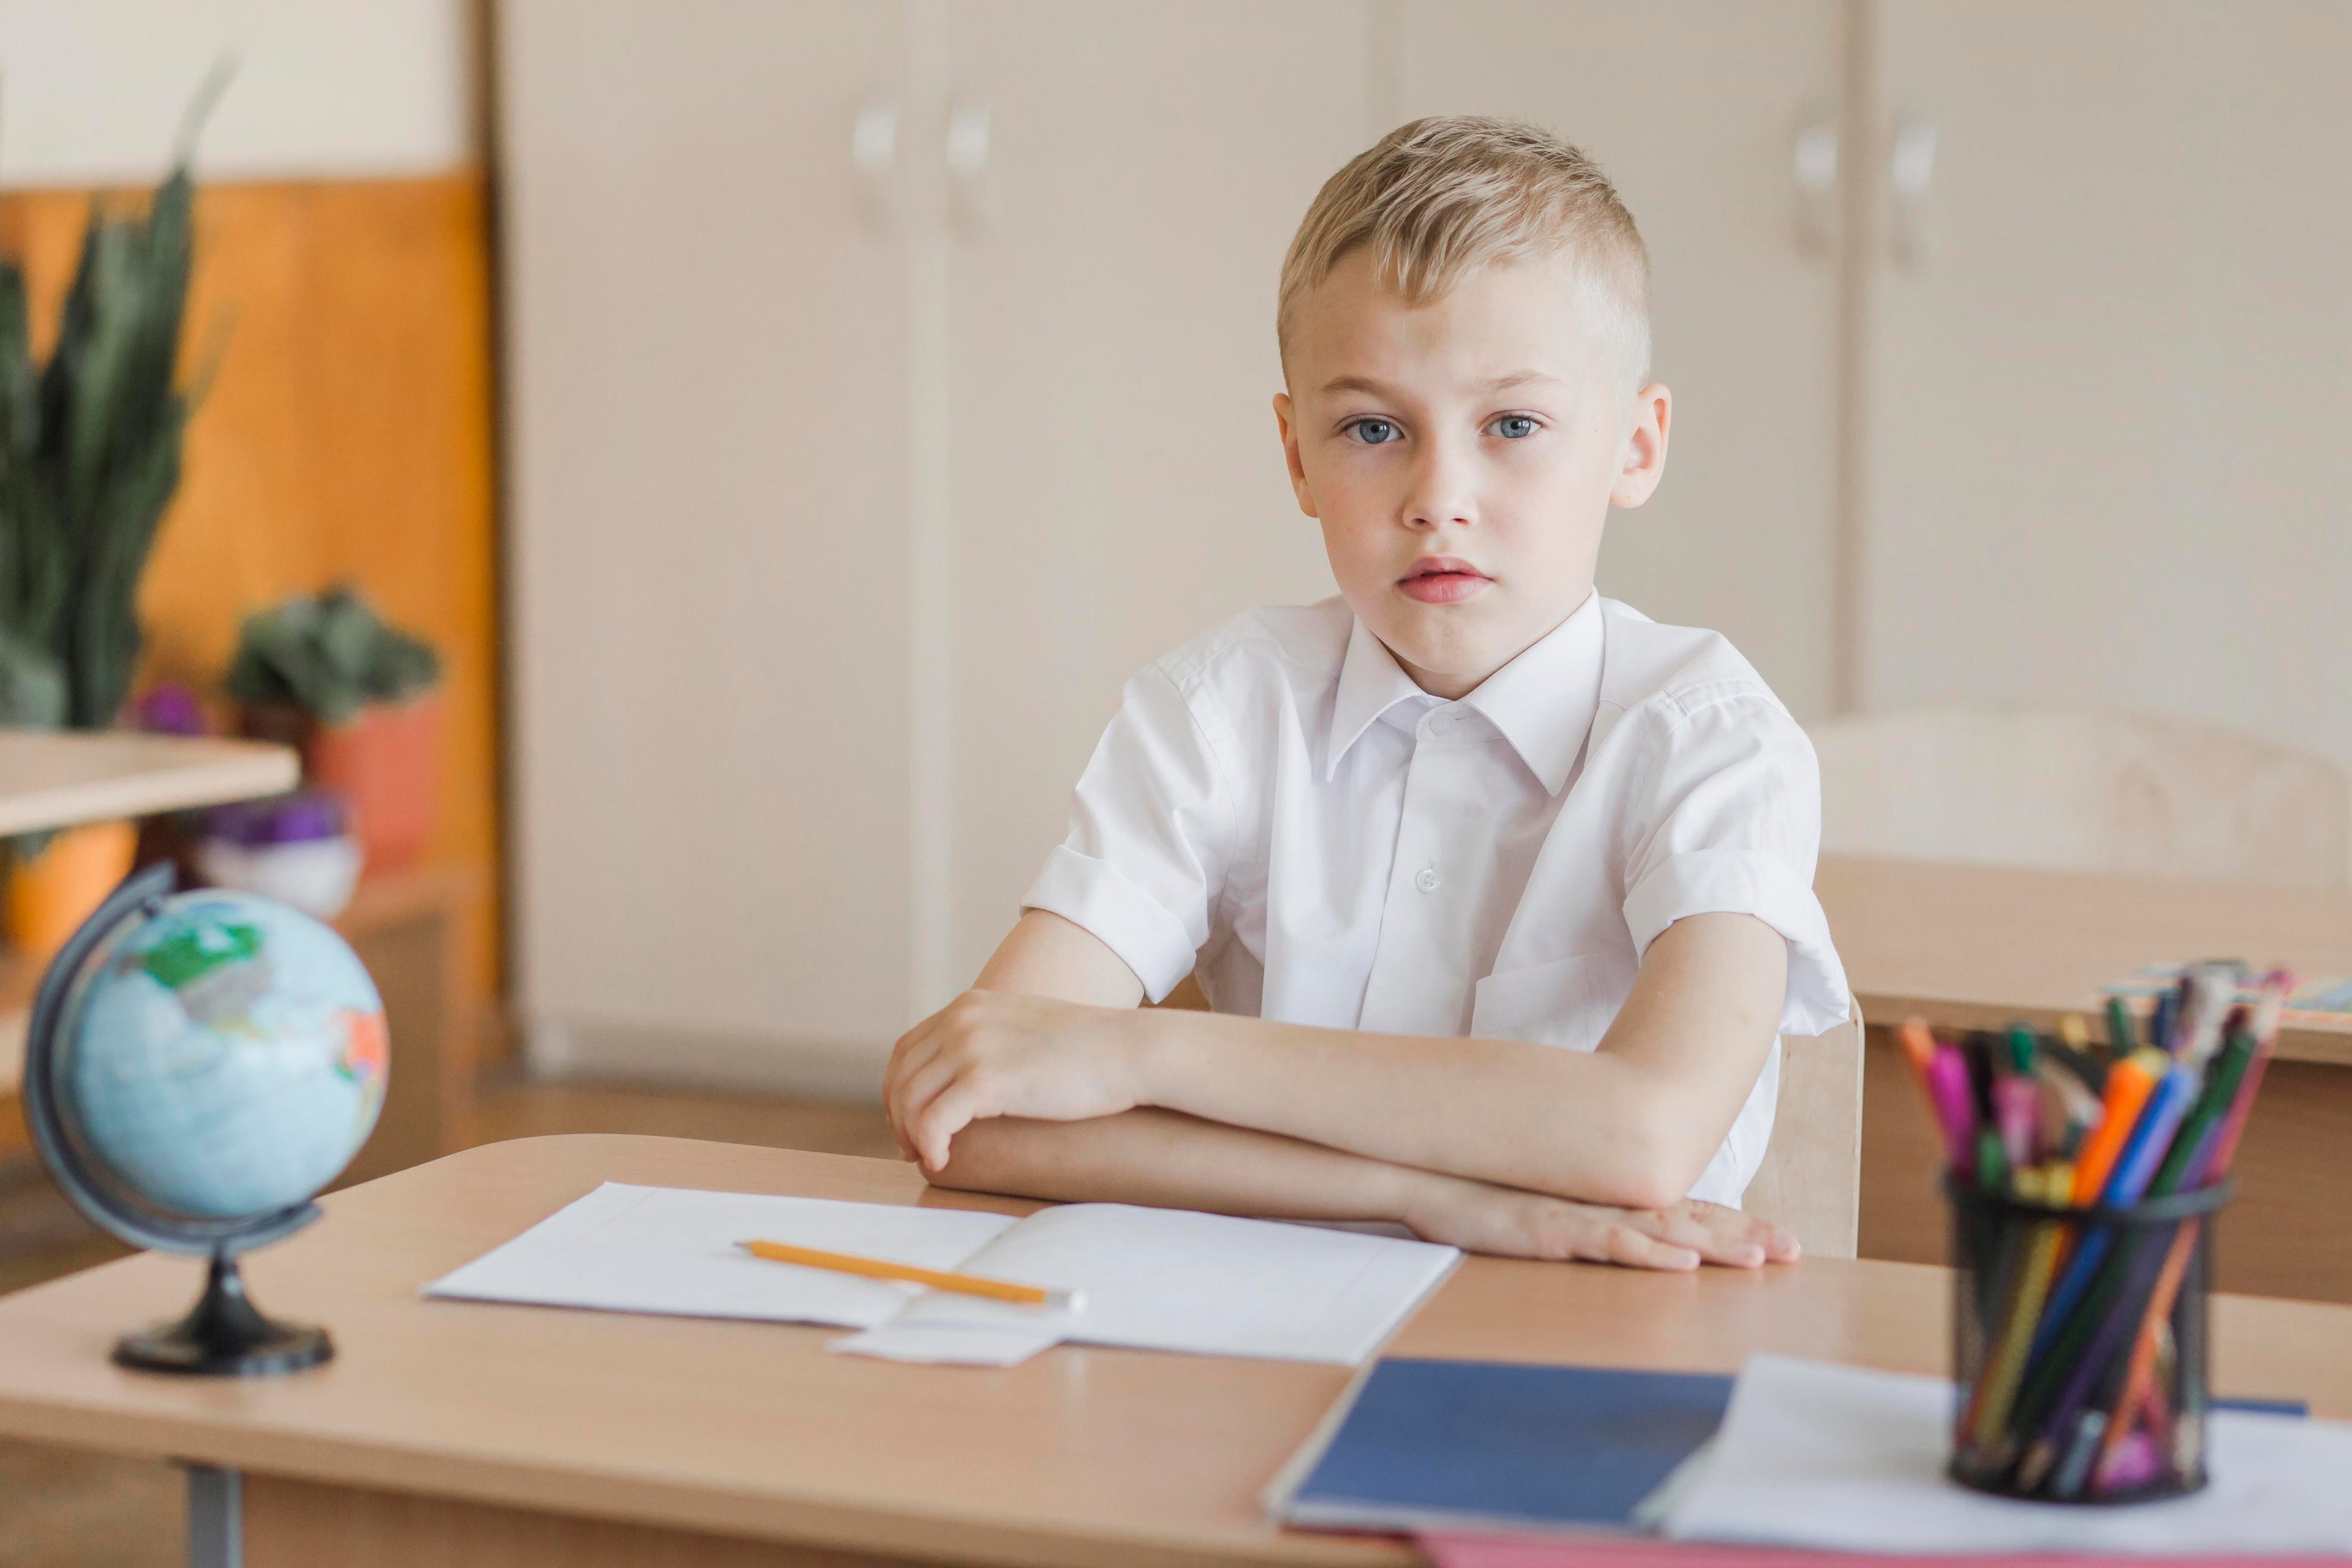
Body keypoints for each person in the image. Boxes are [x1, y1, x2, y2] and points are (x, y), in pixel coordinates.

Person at [883, 116, 1849, 1270]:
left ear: (1636, 447)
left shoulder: (1711, 740)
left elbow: (1643, 1133)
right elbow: (978, 1115)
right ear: (1298, 455)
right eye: (1374, 428)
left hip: (1601, 1339)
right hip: (1257, 1333)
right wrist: (1423, 1197)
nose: (1440, 496)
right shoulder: (1218, 711)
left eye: (1514, 425)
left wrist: (1142, 1057)